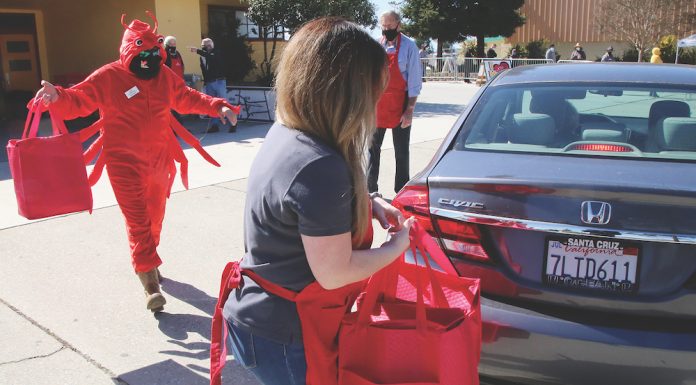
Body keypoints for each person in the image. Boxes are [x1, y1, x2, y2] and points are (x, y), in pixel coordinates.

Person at [220, 17, 415, 384]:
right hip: (286, 333)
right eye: (375, 89)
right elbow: (335, 273)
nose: (378, 100)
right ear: (346, 92)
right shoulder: (320, 165)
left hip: (258, 317)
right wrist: (397, 245)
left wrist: (367, 200)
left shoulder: (289, 132)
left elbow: (300, 206)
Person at [33, 12, 239, 313]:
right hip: (122, 162)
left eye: (153, 53)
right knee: (138, 220)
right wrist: (57, 96)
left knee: (155, 218)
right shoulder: (109, 76)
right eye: (142, 53)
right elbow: (80, 99)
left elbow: (186, 96)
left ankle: (149, 257)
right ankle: (149, 284)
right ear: (129, 51)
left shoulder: (164, 76)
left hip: (159, 160)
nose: (149, 59)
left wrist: (217, 105)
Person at [367, 10, 423, 194]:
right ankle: (371, 191)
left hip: (401, 103)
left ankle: (401, 191)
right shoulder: (376, 45)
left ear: (398, 25)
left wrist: (410, 110)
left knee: (401, 150)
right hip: (378, 103)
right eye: (383, 26)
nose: (386, 30)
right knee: (372, 149)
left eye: (390, 26)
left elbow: (415, 82)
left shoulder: (409, 47)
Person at [192, 38, 235, 133]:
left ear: (212, 45)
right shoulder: (202, 56)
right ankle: (214, 125)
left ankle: (233, 124)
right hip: (210, 82)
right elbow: (204, 70)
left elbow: (211, 57)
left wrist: (198, 51)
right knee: (213, 104)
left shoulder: (216, 53)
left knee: (224, 103)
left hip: (219, 81)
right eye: (204, 46)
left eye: (208, 45)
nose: (207, 47)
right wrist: (206, 82)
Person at [164, 35, 185, 122]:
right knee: (171, 107)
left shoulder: (178, 53)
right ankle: (175, 127)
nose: (173, 46)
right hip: (169, 85)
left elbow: (182, 66)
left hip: (179, 84)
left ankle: (179, 127)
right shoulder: (164, 54)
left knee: (179, 105)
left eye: (174, 44)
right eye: (170, 44)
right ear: (166, 44)